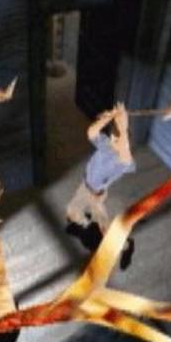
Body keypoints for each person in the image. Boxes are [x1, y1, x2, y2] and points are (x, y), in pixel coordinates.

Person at [65, 102, 136, 267]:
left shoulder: (122, 162)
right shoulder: (106, 145)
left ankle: (126, 246)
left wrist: (123, 128)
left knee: (105, 230)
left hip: (96, 195)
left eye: (119, 142)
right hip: (85, 186)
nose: (115, 143)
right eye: (114, 139)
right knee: (72, 212)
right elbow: (91, 132)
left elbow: (126, 155)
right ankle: (83, 224)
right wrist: (108, 117)